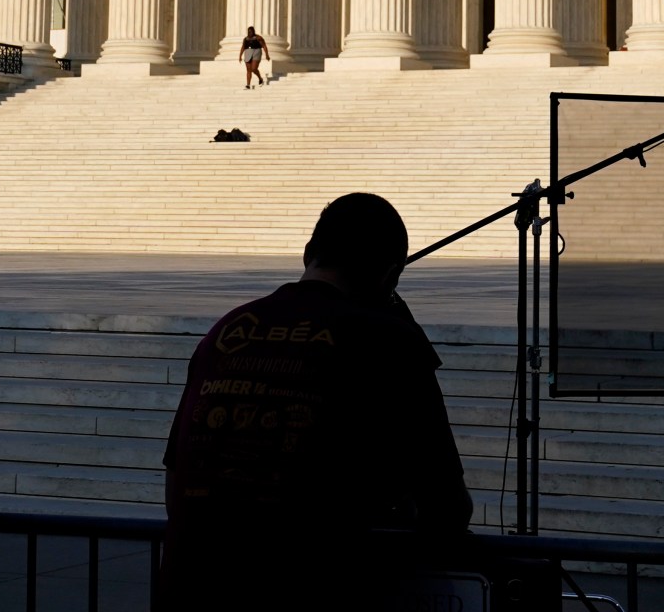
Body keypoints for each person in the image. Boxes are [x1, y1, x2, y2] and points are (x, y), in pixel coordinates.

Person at [160, 193, 472, 611]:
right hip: (311, 587)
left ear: (308, 253)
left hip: (193, 586)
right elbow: (447, 504)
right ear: (392, 275)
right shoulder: (389, 340)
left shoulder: (228, 329)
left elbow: (175, 477)